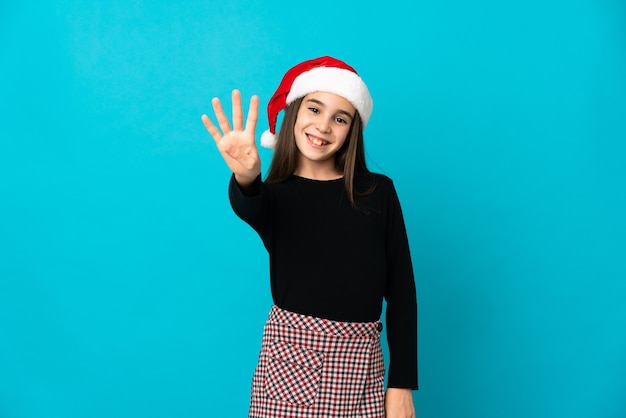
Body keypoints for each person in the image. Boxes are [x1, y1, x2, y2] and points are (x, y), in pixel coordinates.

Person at [201, 56, 417, 418]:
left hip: (361, 370)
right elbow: (249, 204)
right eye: (314, 109)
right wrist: (247, 177)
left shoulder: (379, 193)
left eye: (340, 118)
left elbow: (402, 291)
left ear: (352, 130)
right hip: (287, 369)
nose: (323, 126)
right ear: (294, 112)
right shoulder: (274, 197)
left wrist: (400, 385)